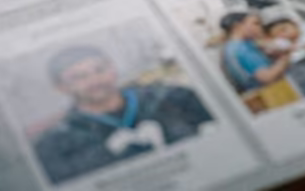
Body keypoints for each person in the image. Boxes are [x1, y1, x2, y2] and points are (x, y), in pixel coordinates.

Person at [33, 45, 211, 185]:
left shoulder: (173, 98)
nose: (95, 80)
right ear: (60, 87)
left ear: (112, 68)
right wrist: (105, 153)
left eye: (100, 69)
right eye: (78, 77)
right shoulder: (55, 144)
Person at [218, 12, 294, 95]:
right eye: (256, 23)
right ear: (237, 26)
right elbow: (267, 77)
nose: (260, 28)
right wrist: (285, 57)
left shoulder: (231, 47)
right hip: (271, 94)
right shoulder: (243, 49)